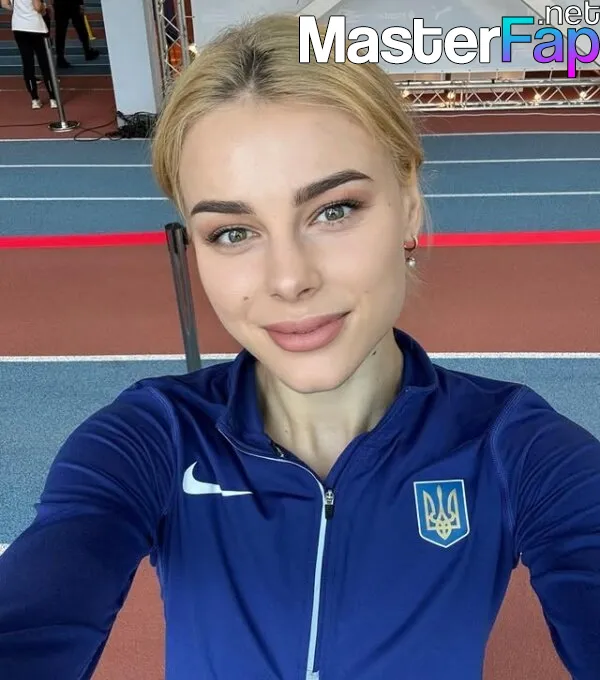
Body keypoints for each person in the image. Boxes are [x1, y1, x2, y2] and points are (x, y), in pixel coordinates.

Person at [0, 13, 599, 680]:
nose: (289, 280)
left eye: (333, 210)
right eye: (232, 232)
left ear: (407, 201)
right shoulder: (151, 438)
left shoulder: (514, 447)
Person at [1, 0, 57, 109]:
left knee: (27, 63)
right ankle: (53, 98)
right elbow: (37, 7)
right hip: (36, 26)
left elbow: (4, 4)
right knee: (44, 63)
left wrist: (19, 11)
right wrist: (44, 8)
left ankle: (35, 99)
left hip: (18, 26)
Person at [52, 0, 98, 68]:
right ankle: (88, 51)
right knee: (81, 28)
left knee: (60, 32)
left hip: (60, 5)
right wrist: (81, 3)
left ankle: (60, 58)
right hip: (73, 4)